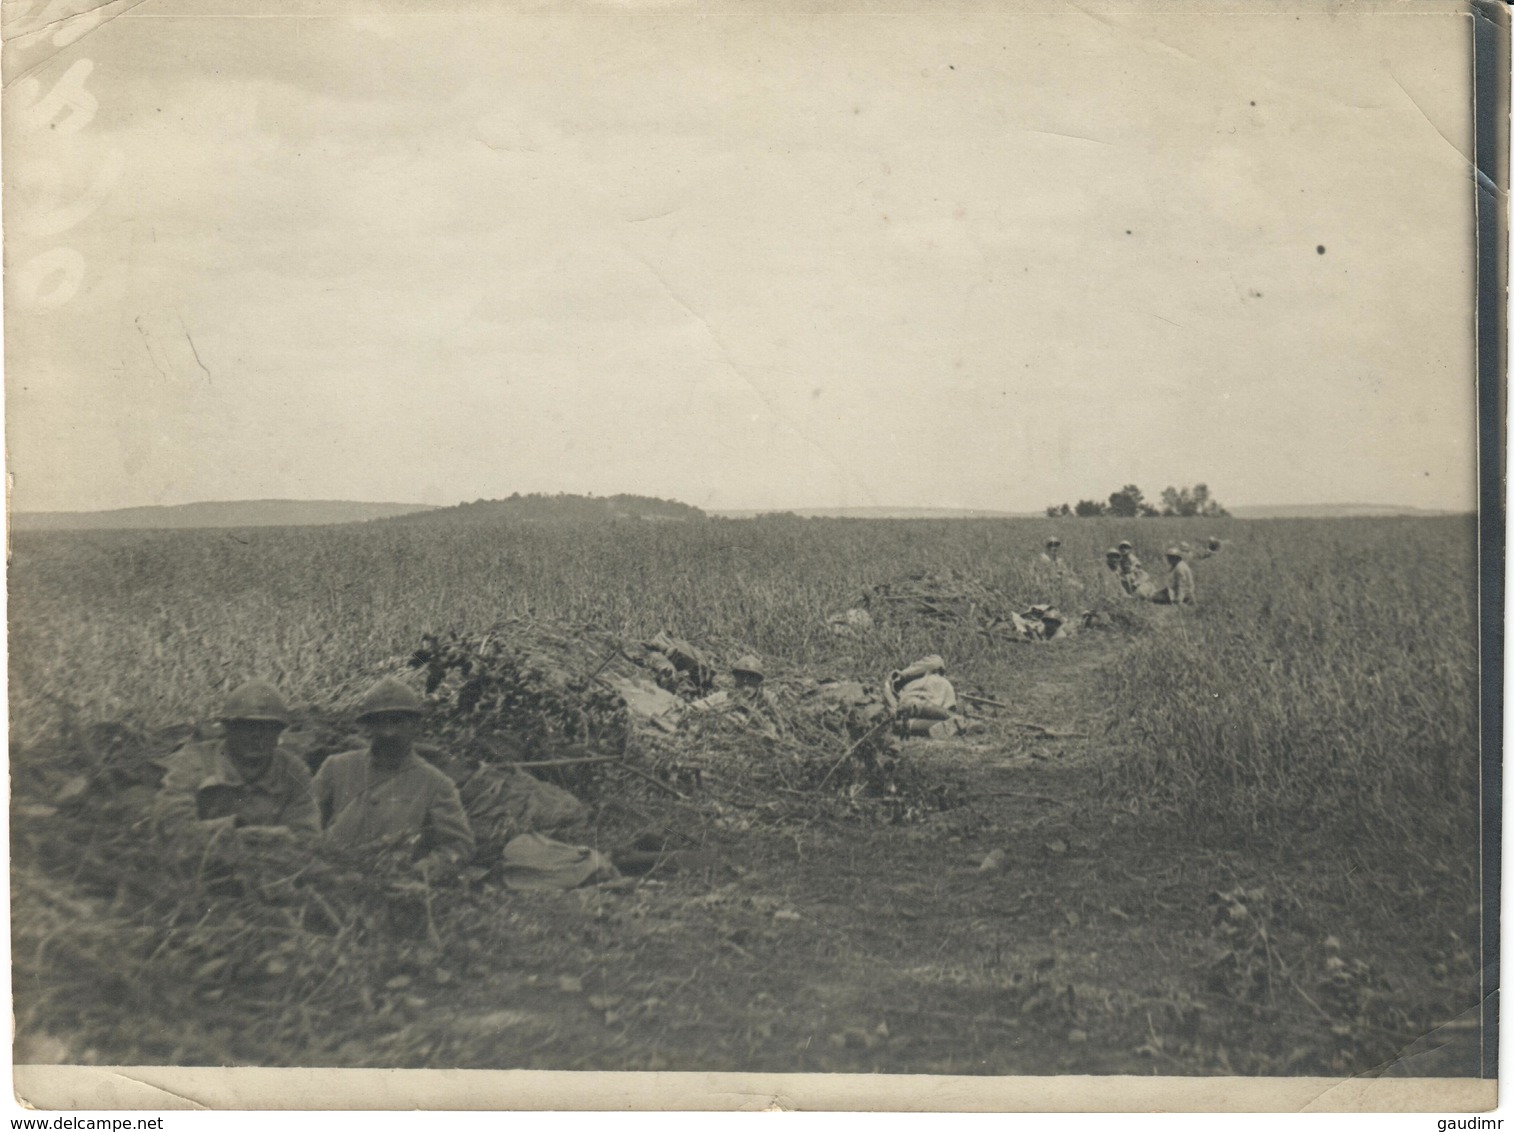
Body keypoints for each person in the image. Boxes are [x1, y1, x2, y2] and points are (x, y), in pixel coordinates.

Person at [313, 677, 475, 879]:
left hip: (392, 886)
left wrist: (419, 872)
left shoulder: (435, 784)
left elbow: (459, 846)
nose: (389, 732)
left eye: (398, 721)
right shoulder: (336, 768)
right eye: (380, 722)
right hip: (331, 881)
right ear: (368, 727)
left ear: (415, 725)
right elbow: (305, 824)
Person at [155, 679, 319, 838]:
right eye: (246, 726)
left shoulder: (293, 771)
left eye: (266, 728)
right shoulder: (195, 761)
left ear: (278, 733)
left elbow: (308, 835)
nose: (256, 736)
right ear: (228, 728)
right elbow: (172, 826)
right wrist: (233, 829)